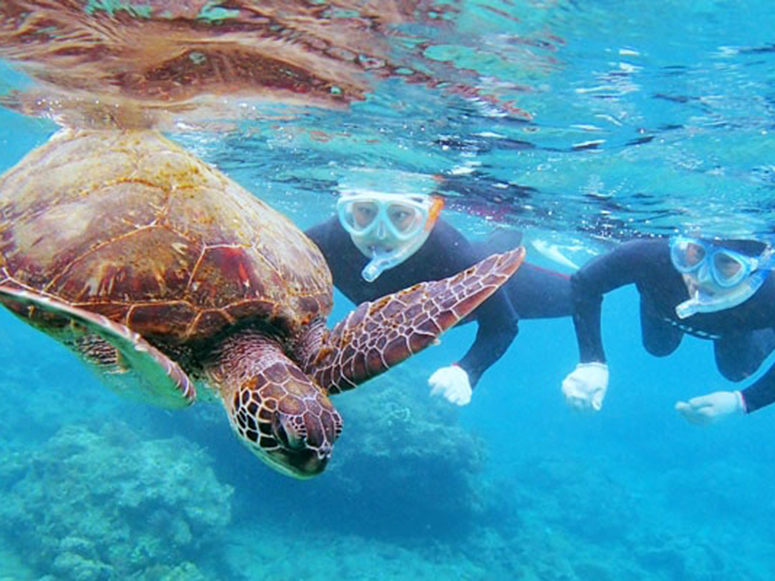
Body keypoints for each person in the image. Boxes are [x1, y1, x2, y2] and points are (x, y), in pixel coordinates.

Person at [306, 171, 573, 406]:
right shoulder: (320, 242)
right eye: (365, 211)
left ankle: (515, 224)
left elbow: (503, 324)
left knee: (574, 296)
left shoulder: (457, 258)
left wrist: (467, 370)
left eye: (400, 215)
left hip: (493, 274)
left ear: (429, 215)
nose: (380, 232)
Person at [561, 235, 775, 424]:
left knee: (735, 371)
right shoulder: (652, 255)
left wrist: (744, 402)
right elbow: (585, 282)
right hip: (661, 308)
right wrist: (591, 360)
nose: (702, 277)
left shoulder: (769, 294)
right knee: (658, 347)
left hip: (736, 328)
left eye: (726, 263)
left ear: (755, 270)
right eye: (697, 253)